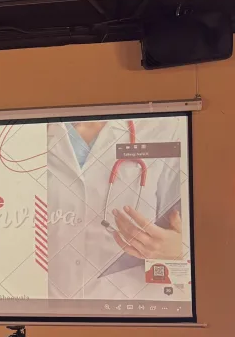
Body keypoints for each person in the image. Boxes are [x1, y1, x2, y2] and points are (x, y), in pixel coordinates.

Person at [46, 116, 190, 301]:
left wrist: (179, 250)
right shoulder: (24, 132)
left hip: (132, 305)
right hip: (42, 305)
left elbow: (194, 235)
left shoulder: (167, 127)